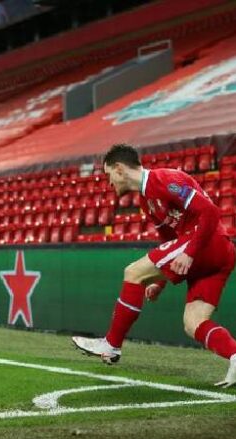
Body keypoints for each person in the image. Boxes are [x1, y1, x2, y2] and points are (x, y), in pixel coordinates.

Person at [72, 143, 236, 388]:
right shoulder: (146, 201)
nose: (108, 183)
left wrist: (190, 252)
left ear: (119, 169)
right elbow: (169, 242)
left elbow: (210, 213)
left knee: (133, 272)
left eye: (108, 175)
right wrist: (159, 281)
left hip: (208, 244)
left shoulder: (165, 179)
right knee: (194, 324)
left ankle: (112, 344)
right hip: (214, 255)